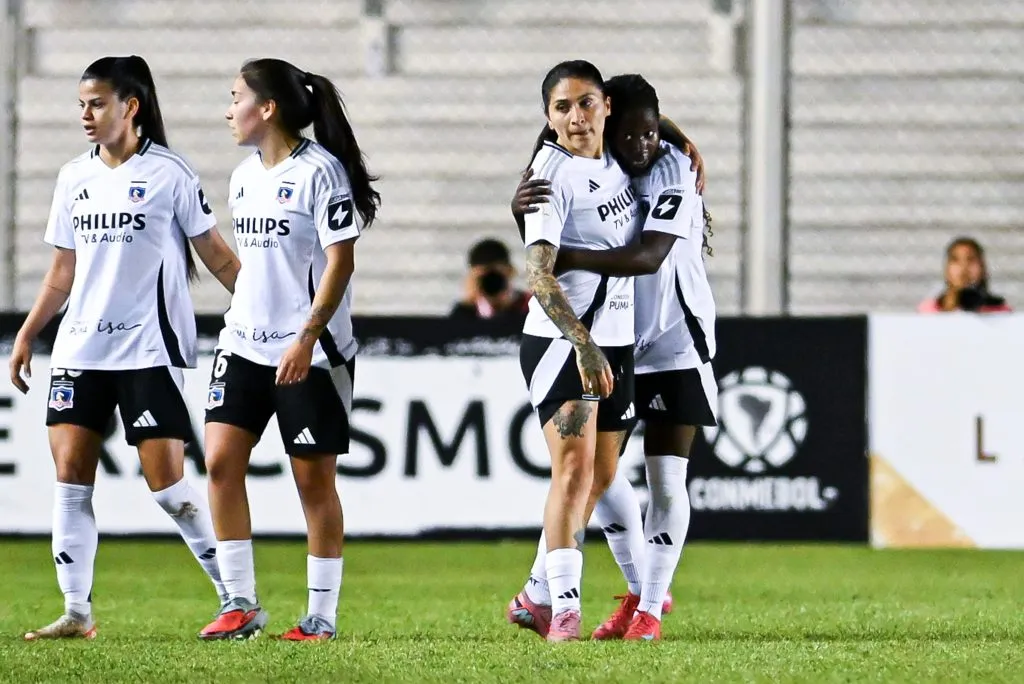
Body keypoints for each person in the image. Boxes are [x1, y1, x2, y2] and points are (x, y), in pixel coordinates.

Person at [9, 55, 241, 640]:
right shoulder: (72, 177)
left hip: (147, 351)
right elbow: (62, 270)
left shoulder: (171, 173)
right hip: (79, 351)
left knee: (167, 487)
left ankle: (236, 597)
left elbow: (214, 253)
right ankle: (77, 612)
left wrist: (268, 307)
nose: (85, 115)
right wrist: (29, 332)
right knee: (69, 480)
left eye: (97, 104)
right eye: (81, 105)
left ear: (130, 106)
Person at [510, 74, 718, 641]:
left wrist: (554, 258)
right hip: (610, 339)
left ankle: (647, 607)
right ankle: (577, 594)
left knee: (656, 479)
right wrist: (528, 226)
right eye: (632, 135)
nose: (641, 145)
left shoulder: (671, 165)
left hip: (673, 338)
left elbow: (649, 256)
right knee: (591, 475)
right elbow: (568, 136)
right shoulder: (597, 156)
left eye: (650, 134)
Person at [198, 58, 379, 642]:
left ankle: (320, 618)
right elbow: (258, 269)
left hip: (313, 354)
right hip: (243, 343)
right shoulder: (243, 176)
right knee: (221, 463)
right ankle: (241, 604)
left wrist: (304, 337)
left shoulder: (320, 173)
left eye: (235, 98)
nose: (228, 110)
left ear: (267, 108)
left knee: (313, 484)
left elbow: (340, 261)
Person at [511, 60, 642, 642]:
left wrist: (689, 145)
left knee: (602, 474)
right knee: (573, 470)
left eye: (585, 103)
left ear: (606, 104)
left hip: (616, 338)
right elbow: (539, 274)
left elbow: (655, 113)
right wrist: (582, 344)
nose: (575, 117)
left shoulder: (616, 152)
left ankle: (534, 595)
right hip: (563, 342)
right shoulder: (550, 175)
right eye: (561, 108)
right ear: (547, 117)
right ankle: (564, 607)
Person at [917, 237, 1011, 313]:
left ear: (983, 268)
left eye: (971, 259)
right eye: (955, 260)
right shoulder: (928, 312)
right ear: (946, 269)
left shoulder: (1000, 312)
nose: (964, 268)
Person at [449, 238, 531, 323]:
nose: (492, 282)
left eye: (496, 277)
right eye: (484, 278)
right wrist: (470, 303)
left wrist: (507, 306)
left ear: (511, 271)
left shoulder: (530, 306)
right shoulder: (465, 312)